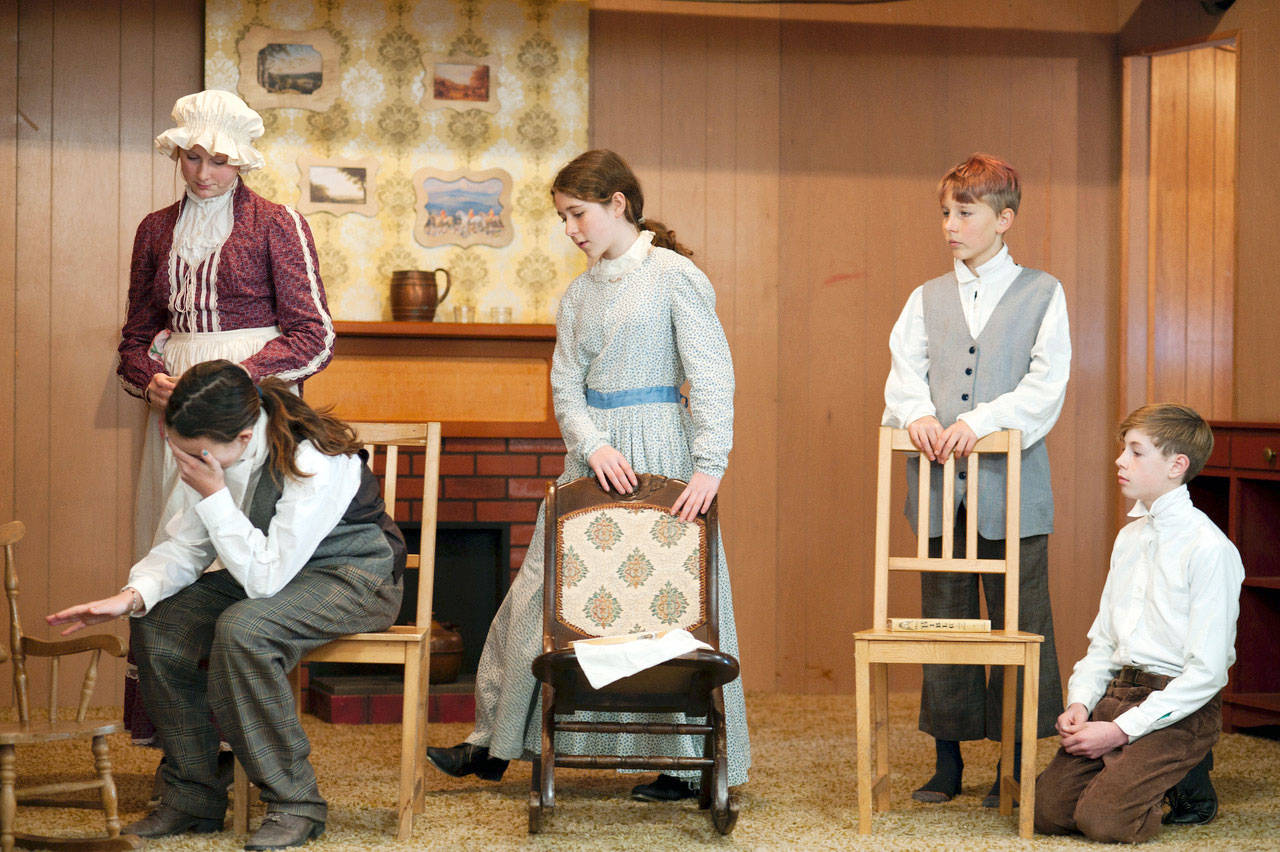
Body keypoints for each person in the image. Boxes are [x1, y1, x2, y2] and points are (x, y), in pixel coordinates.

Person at [426, 149, 751, 802]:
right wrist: (592, 443)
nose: (571, 228)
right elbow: (564, 384)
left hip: (661, 449)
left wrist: (711, 464)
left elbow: (712, 372)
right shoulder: (579, 291)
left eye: (578, 214)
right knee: (539, 599)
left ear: (618, 206)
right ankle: (496, 741)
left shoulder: (674, 276)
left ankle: (685, 767)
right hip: (593, 461)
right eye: (562, 218)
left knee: (667, 605)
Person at [48, 361, 404, 850]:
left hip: (352, 575)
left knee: (245, 629)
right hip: (268, 569)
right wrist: (130, 597)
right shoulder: (214, 450)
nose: (187, 463)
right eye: (180, 451)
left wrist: (215, 495)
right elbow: (188, 545)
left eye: (196, 456)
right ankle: (194, 793)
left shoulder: (313, 460)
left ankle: (295, 800)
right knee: (158, 621)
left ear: (242, 436)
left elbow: (264, 579)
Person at [117, 87, 334, 753]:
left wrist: (239, 377)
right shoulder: (155, 230)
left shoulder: (278, 224)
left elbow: (313, 335)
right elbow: (135, 335)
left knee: (244, 544)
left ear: (241, 160)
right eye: (191, 158)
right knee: (178, 539)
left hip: (255, 407)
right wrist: (149, 378)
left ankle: (246, 726)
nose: (203, 173)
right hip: (177, 408)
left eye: (218, 160)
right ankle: (181, 734)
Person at [881, 153, 1070, 805]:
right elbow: (902, 377)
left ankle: (1012, 765)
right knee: (945, 620)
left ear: (1004, 218)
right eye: (945, 212)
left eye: (965, 213)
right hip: (941, 494)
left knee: (1021, 623)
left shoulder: (1045, 293)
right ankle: (947, 763)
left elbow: (1047, 388)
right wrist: (922, 416)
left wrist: (981, 420)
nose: (950, 225)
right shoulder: (924, 299)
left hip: (1014, 493)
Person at [1034, 404, 1242, 843]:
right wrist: (1081, 703)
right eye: (1123, 450)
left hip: (1180, 705)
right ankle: (1133, 769)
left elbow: (1207, 672)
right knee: (1046, 814)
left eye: (1136, 451)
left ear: (1176, 465)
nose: (1120, 461)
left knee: (1104, 822)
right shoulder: (1129, 538)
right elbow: (1104, 641)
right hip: (1118, 694)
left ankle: (1181, 777)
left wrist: (1118, 732)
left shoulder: (1209, 548)